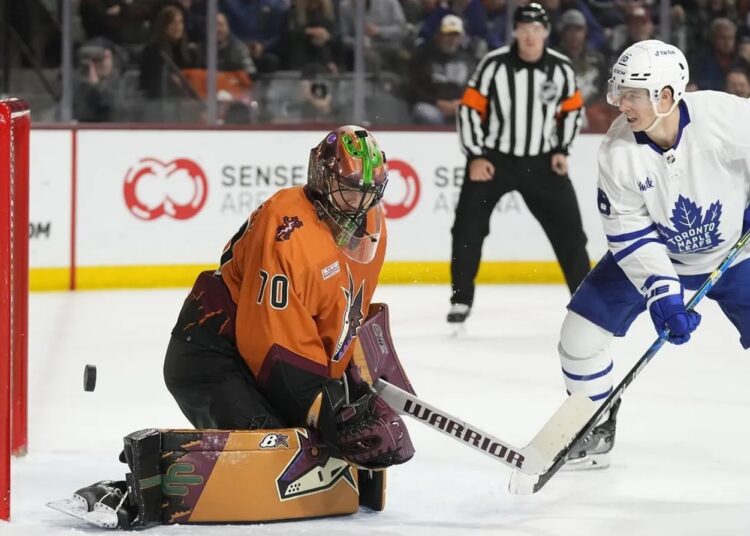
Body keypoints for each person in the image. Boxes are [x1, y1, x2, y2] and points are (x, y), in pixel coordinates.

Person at [163, 125, 414, 468]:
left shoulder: (370, 226)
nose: (359, 204)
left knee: (313, 455)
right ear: (322, 180)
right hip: (213, 353)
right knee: (277, 458)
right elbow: (268, 342)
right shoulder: (286, 228)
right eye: (349, 191)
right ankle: (156, 474)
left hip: (268, 358)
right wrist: (332, 412)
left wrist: (354, 378)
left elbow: (340, 312)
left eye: (369, 193)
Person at [557, 39, 750, 469]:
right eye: (618, 91)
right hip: (660, 253)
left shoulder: (726, 116)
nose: (620, 104)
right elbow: (629, 231)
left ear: (665, 95)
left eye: (632, 94)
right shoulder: (617, 150)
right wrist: (662, 292)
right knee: (579, 337)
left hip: (736, 255)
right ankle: (594, 425)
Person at [449, 2, 590, 324]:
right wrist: (476, 155)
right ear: (515, 31)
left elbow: (572, 110)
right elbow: (469, 109)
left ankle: (586, 300)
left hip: (543, 162)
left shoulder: (561, 68)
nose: (530, 36)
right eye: (524, 29)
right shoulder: (493, 64)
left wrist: (561, 150)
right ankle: (461, 299)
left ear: (546, 33)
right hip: (495, 161)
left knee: (571, 233)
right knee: (467, 227)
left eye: (536, 30)